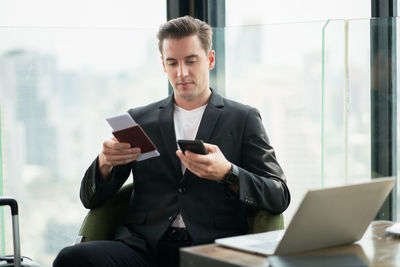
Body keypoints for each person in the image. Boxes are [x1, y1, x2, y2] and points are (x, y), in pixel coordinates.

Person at [53, 15, 290, 267]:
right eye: (172, 62)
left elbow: (279, 194)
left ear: (209, 60)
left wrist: (228, 173)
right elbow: (91, 200)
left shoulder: (243, 119)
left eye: (191, 61)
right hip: (144, 247)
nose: (182, 72)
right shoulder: (140, 120)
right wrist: (104, 163)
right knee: (71, 258)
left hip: (212, 248)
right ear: (163, 66)